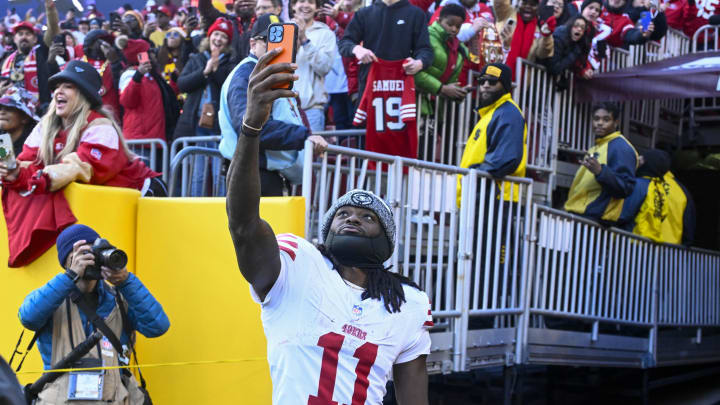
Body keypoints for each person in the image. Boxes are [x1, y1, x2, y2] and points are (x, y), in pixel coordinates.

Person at [226, 47, 433, 404]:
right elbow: (243, 226)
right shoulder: (298, 263)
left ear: (387, 242)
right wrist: (251, 129)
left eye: (368, 217)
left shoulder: (408, 302)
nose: (353, 217)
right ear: (326, 230)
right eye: (343, 214)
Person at [0, 60, 165, 267]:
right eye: (57, 86)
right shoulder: (45, 127)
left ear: (85, 95)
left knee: (151, 266)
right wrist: (14, 172)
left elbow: (82, 166)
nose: (59, 91)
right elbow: (27, 162)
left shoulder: (100, 125)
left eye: (68, 86)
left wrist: (41, 178)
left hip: (145, 195)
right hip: (105, 209)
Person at [18, 224, 169, 403]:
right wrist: (70, 277)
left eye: (95, 253)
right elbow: (28, 317)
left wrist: (126, 281)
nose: (92, 260)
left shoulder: (119, 299)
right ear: (68, 261)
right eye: (84, 254)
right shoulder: (53, 298)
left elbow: (158, 326)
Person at [219, 14, 327, 196]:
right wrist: (303, 136)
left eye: (282, 41)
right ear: (253, 44)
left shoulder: (268, 73)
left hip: (267, 174)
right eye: (269, 40)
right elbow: (250, 127)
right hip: (253, 176)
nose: (277, 48)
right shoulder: (247, 75)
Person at [175, 17, 235, 196]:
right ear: (208, 37)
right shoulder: (197, 59)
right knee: (198, 173)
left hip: (219, 126)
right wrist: (204, 72)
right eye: (216, 34)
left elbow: (230, 88)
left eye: (223, 37)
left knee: (219, 172)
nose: (218, 39)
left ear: (228, 42)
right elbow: (182, 84)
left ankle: (220, 208)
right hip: (197, 124)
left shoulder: (231, 63)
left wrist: (215, 70)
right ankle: (195, 205)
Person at [456, 63, 527, 204]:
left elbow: (505, 158)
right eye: (482, 81)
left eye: (493, 81)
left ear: (505, 85)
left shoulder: (508, 113)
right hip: (481, 196)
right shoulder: (491, 114)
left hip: (494, 198)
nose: (486, 85)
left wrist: (473, 174)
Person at [338, 0, 434, 98]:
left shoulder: (416, 14)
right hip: (370, 85)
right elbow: (344, 43)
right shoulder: (364, 13)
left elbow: (425, 50)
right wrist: (356, 49)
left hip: (403, 86)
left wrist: (419, 62)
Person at [564, 102, 638, 224]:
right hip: (580, 216)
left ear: (616, 122)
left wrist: (601, 172)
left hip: (595, 221)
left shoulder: (621, 147)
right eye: (596, 118)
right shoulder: (596, 147)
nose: (599, 123)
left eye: (606, 119)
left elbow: (625, 187)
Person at [618, 149, 695, 245]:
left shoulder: (641, 184)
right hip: (670, 250)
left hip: (634, 245)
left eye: (641, 159)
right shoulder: (680, 191)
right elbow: (688, 229)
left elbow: (622, 214)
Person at [1, 0, 60, 111]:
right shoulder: (5, 59)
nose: (24, 36)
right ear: (14, 39)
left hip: (38, 110)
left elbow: (53, 30)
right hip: (12, 110)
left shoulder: (41, 52)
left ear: (35, 39)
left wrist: (50, 9)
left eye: (28, 34)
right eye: (20, 34)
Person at [119, 44, 180, 149]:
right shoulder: (129, 74)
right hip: (140, 142)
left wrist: (173, 81)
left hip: (158, 140)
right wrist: (138, 76)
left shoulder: (154, 76)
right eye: (149, 52)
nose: (153, 55)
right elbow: (127, 101)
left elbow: (165, 99)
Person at [292, 0, 337, 131]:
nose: (305, 5)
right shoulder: (283, 29)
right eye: (301, 1)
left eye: (311, 2)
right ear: (293, 5)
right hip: (284, 107)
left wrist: (305, 40)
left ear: (317, 8)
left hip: (311, 109)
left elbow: (324, 67)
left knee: (311, 151)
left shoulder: (326, 34)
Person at [415, 4, 471, 101]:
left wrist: (457, 93)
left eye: (458, 27)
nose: (454, 29)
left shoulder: (459, 49)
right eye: (449, 24)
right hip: (416, 103)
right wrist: (441, 88)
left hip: (435, 108)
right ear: (439, 20)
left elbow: (449, 84)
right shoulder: (426, 37)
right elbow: (414, 72)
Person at [495, 0, 556, 79]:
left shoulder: (540, 29)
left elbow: (542, 54)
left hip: (520, 83)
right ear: (518, 3)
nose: (528, 6)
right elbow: (500, 2)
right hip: (496, 74)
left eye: (532, 4)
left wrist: (547, 34)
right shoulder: (507, 13)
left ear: (538, 8)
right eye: (524, 3)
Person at [75, 30, 126, 120]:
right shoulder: (78, 63)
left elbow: (121, 86)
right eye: (101, 41)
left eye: (108, 41)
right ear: (90, 44)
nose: (105, 44)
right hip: (85, 114)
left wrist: (115, 63)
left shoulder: (115, 62)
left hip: (111, 115)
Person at [0, 85, 39, 154]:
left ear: (25, 118)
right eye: (0, 108)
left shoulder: (35, 144)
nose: (2, 112)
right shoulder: (2, 139)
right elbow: (6, 161)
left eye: (9, 108)